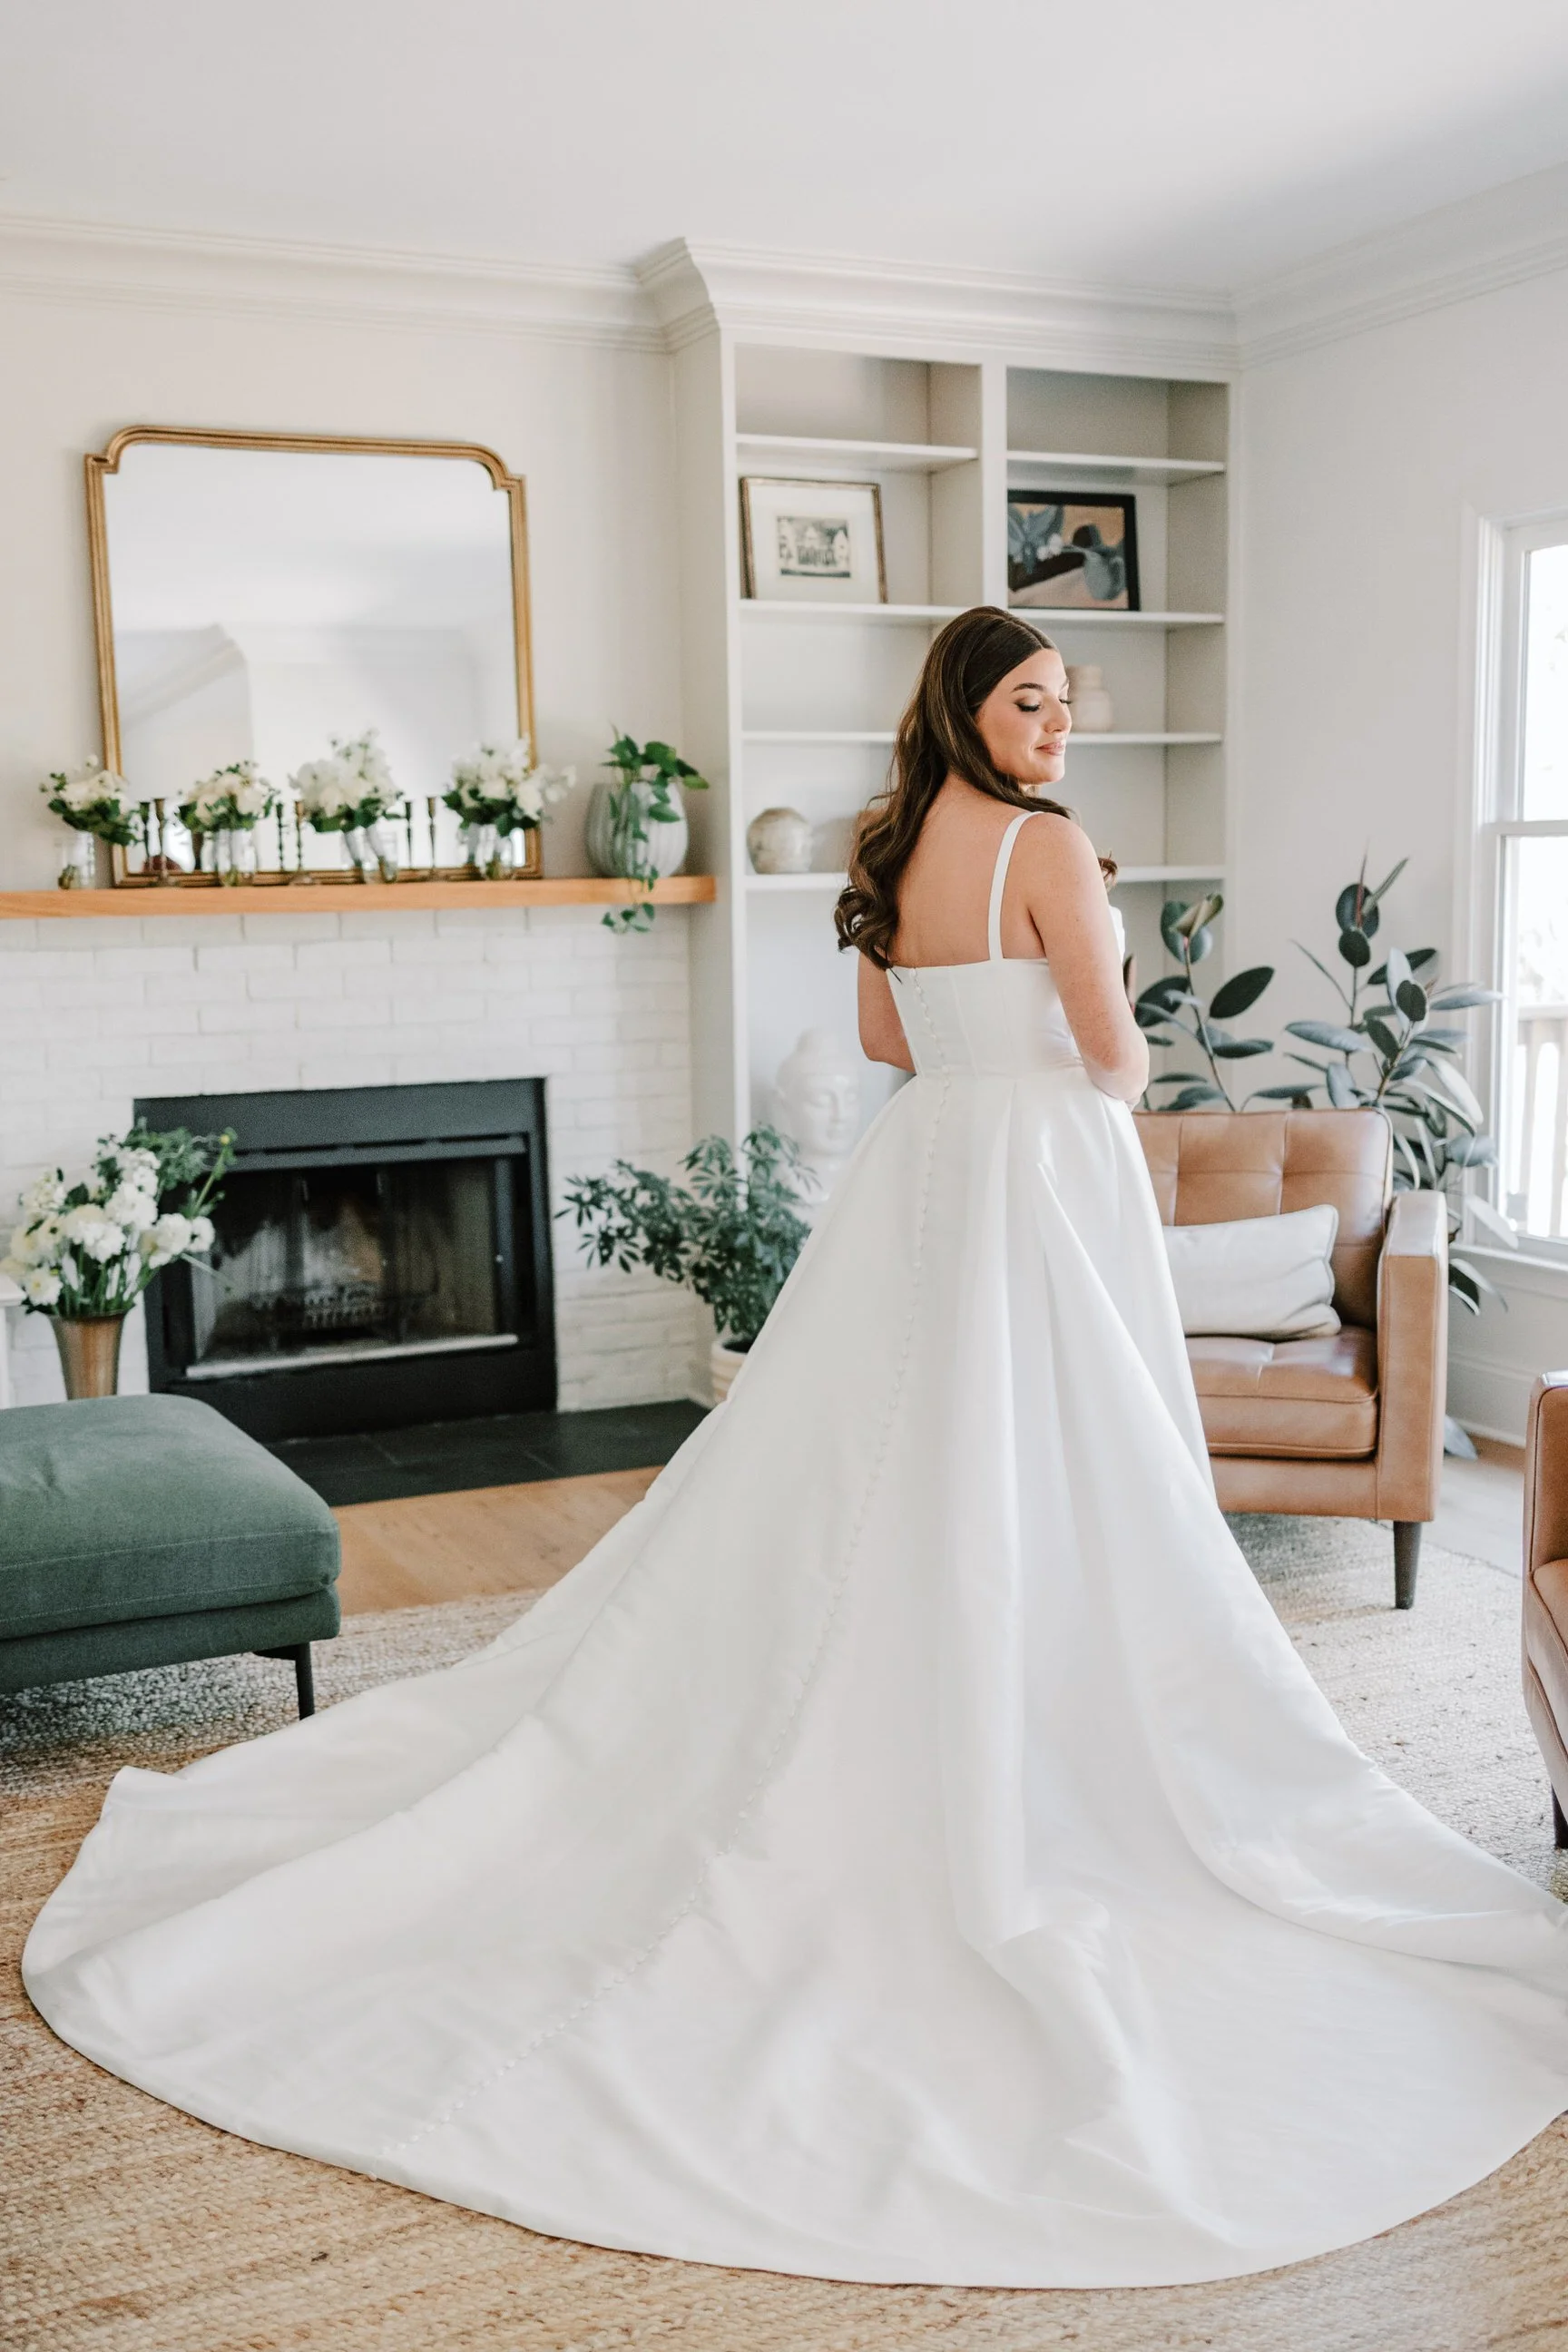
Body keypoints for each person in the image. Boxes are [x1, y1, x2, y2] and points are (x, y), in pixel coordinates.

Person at [24, 608, 1568, 2290]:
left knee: (881, 1449)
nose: (1058, 728)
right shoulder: (1054, 848)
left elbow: (887, 1046)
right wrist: (1082, 967)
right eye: (1032, 702)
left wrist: (991, 1024)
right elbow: (1119, 1064)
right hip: (1042, 1170)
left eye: (1066, 705)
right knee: (1056, 1449)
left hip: (925, 1169)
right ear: (971, 710)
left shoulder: (888, 841)